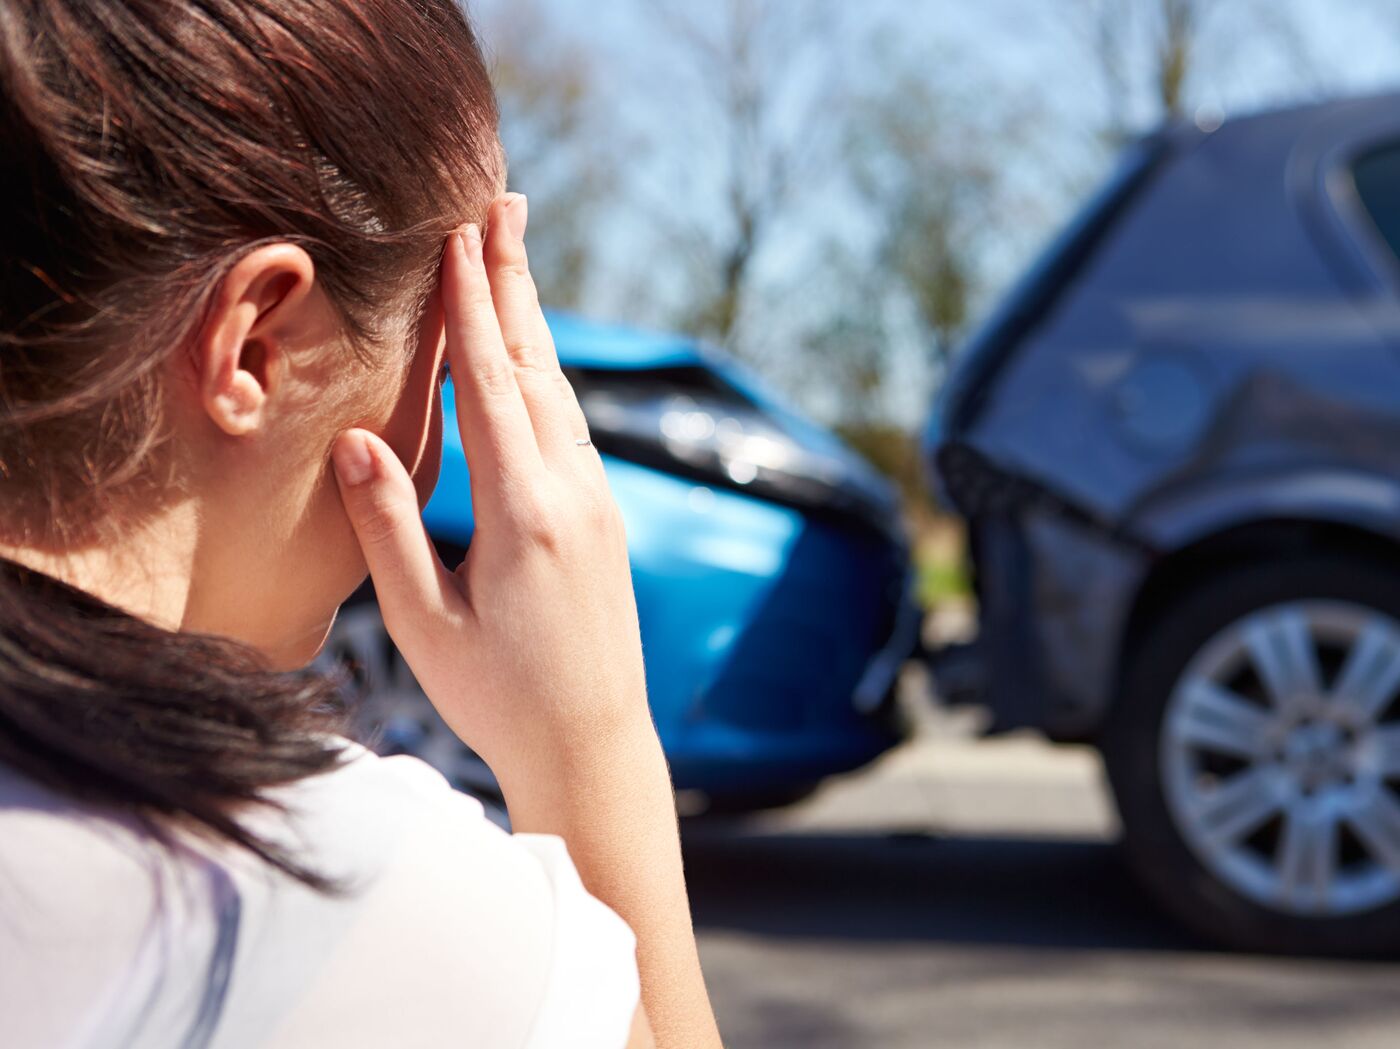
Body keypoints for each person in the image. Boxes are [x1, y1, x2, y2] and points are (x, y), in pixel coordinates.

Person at [0, 2, 723, 1047]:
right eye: (444, 360)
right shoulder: (328, 894)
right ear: (255, 347)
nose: (443, 454)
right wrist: (590, 740)